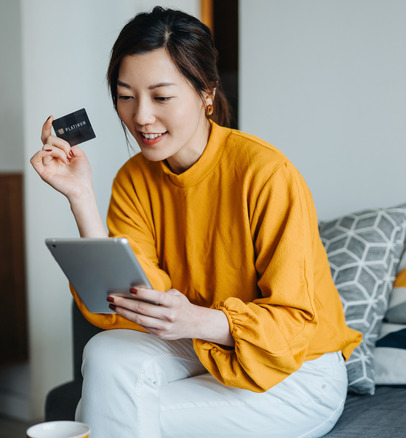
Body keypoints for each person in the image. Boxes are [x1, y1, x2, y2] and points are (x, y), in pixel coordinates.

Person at [30, 7, 361, 438]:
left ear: (206, 92)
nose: (141, 116)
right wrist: (81, 197)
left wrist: (197, 321)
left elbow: (294, 323)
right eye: (126, 95)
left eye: (161, 97)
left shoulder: (265, 173)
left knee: (119, 412)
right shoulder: (134, 178)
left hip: (296, 371)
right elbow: (134, 302)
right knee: (106, 353)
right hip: (202, 346)